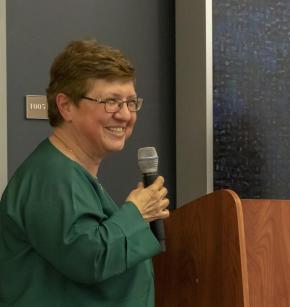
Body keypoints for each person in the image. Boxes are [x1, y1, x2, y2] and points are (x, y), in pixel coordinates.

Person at [0, 40, 169, 306]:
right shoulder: (51, 177)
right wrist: (136, 213)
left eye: (131, 102)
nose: (125, 115)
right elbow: (90, 258)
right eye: (111, 102)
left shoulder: (72, 175)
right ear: (66, 106)